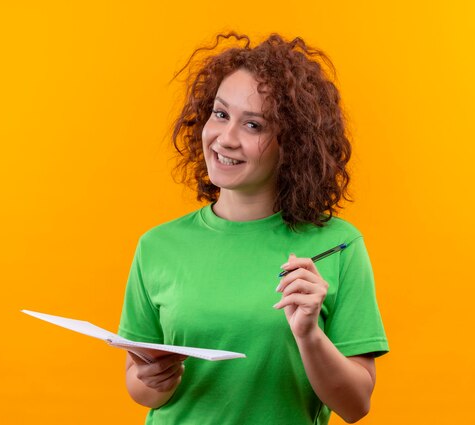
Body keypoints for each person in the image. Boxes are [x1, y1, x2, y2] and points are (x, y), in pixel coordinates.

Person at [118, 32, 388, 425]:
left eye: (254, 125)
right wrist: (153, 379)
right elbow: (138, 386)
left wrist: (309, 334)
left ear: (292, 145)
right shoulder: (157, 246)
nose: (225, 139)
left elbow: (355, 405)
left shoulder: (338, 246)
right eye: (221, 114)